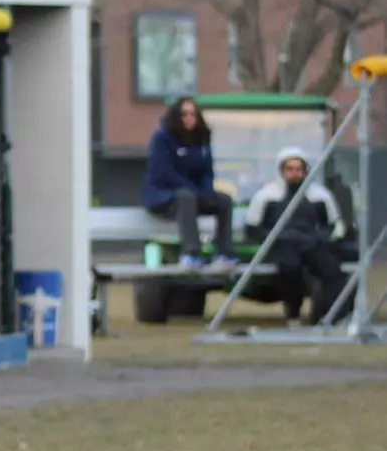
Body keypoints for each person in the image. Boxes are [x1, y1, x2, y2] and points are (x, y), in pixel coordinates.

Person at [244, 146, 349, 326]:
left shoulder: (320, 195)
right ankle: (293, 315)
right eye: (290, 169)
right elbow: (253, 227)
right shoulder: (266, 196)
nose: (295, 173)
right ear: (281, 170)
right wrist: (275, 239)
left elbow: (334, 224)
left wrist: (321, 238)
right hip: (282, 245)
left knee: (333, 272)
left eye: (299, 169)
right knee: (291, 268)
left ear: (306, 170)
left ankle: (327, 316)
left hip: (312, 244)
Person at [142, 96, 239, 269]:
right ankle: (191, 253)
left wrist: (207, 192)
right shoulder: (162, 138)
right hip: (165, 197)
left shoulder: (202, 139)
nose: (189, 118)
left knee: (223, 200)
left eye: (193, 114)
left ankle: (225, 253)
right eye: (184, 114)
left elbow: (207, 171)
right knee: (186, 197)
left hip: (195, 195)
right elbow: (164, 173)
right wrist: (194, 190)